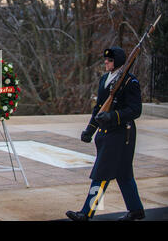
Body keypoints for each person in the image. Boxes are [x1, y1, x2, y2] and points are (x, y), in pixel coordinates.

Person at [66, 46, 145, 221]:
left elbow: (135, 110)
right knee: (124, 174)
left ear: (116, 62)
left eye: (109, 60)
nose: (106, 62)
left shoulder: (129, 82)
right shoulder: (105, 79)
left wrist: (113, 116)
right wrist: (90, 130)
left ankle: (87, 213)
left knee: (101, 174)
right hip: (107, 134)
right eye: (105, 60)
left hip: (121, 134)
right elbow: (100, 109)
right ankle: (136, 210)